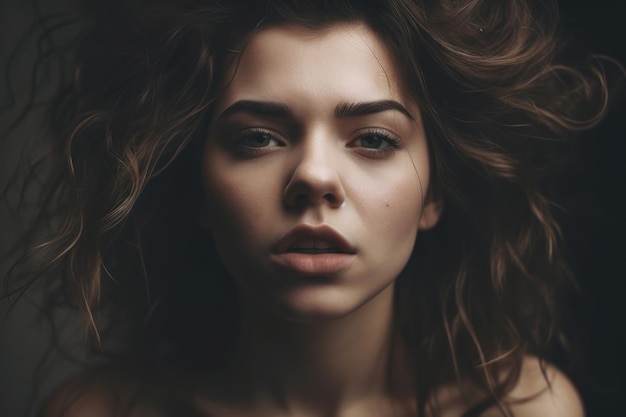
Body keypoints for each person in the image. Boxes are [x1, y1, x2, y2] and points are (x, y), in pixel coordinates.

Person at [1, 0, 620, 416]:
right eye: (258, 137)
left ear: (435, 193)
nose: (314, 178)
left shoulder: (526, 408)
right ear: (194, 190)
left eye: (374, 140)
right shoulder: (100, 412)